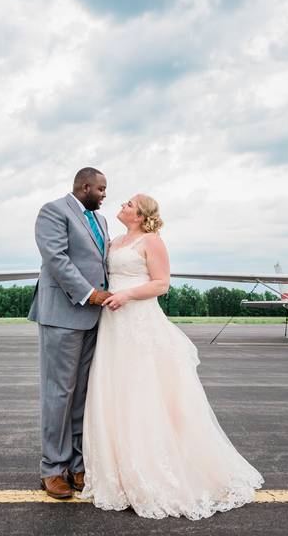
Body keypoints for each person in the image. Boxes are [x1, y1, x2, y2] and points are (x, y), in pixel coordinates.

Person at [80, 194, 263, 519]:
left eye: (130, 204)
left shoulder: (153, 241)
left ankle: (156, 467)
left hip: (138, 318)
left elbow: (162, 284)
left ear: (141, 214)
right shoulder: (115, 241)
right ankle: (117, 469)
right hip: (113, 322)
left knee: (143, 390)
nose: (122, 205)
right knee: (114, 389)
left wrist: (126, 294)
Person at [28, 167, 111, 499]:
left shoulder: (101, 222)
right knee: (58, 393)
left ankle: (78, 464)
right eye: (102, 189)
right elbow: (57, 259)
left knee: (81, 395)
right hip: (63, 315)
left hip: (93, 318)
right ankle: (52, 468)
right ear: (85, 186)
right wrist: (90, 293)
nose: (105, 194)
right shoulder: (53, 211)